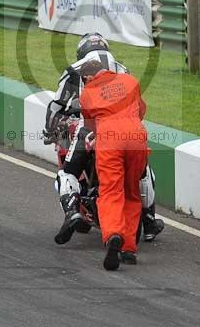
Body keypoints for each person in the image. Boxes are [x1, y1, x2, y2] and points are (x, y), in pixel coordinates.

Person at [44, 33, 164, 246]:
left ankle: (72, 211)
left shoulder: (73, 70)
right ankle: (149, 219)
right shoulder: (123, 69)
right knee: (144, 171)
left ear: (81, 52)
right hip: (129, 130)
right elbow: (138, 106)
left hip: (90, 128)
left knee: (67, 172)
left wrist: (48, 130)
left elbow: (56, 106)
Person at [79, 58, 149, 270]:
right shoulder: (129, 80)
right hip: (137, 137)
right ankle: (129, 248)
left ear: (89, 78)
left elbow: (90, 125)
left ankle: (113, 236)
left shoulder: (87, 93)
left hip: (110, 139)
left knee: (110, 192)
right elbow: (141, 111)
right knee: (131, 192)